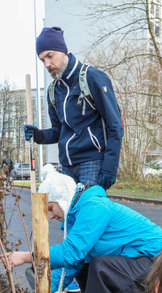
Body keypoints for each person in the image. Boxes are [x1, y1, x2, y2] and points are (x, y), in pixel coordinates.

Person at [1, 169, 162, 293]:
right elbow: (71, 263)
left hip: (160, 263)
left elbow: (70, 253)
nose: (50, 216)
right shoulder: (78, 214)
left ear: (62, 199)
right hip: (142, 264)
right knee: (85, 265)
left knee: (100, 266)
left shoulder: (94, 206)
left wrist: (28, 257)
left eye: (50, 207)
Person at [23, 26, 124, 189]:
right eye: (42, 60)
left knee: (88, 214)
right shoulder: (53, 91)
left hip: (92, 164)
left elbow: (116, 126)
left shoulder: (92, 78)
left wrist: (110, 168)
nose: (47, 64)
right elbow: (59, 131)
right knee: (67, 215)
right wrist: (40, 135)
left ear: (63, 51)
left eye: (50, 56)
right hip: (66, 168)